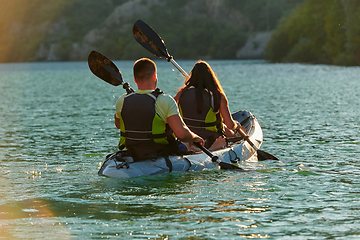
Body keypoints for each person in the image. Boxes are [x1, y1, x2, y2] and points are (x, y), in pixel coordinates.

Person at [114, 58, 204, 160]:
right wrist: (196, 137)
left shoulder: (122, 100)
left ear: (135, 80)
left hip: (132, 152)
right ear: (154, 76)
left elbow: (118, 125)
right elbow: (182, 134)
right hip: (160, 151)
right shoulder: (165, 100)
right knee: (187, 144)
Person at [174, 60, 246, 150]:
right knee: (223, 126)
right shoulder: (218, 96)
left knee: (222, 126)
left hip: (187, 139)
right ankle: (236, 136)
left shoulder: (181, 94)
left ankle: (234, 136)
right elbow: (230, 125)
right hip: (210, 141)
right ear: (211, 77)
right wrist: (237, 125)